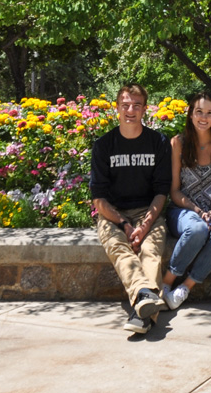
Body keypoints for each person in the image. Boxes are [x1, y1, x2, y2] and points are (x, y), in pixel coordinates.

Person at [90, 83, 172, 334]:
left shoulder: (158, 142)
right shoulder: (104, 145)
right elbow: (98, 199)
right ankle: (145, 298)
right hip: (113, 214)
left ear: (144, 109)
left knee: (151, 252)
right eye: (125, 105)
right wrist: (124, 224)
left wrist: (145, 225)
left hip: (148, 212)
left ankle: (142, 311)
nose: (130, 110)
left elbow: (161, 192)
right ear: (117, 108)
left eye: (136, 105)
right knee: (119, 249)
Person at [161, 92, 211, 310]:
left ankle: (185, 287)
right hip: (183, 210)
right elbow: (174, 191)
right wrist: (195, 209)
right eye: (199, 112)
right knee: (197, 229)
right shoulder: (178, 143)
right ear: (191, 114)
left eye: (209, 113)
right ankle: (165, 284)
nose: (204, 117)